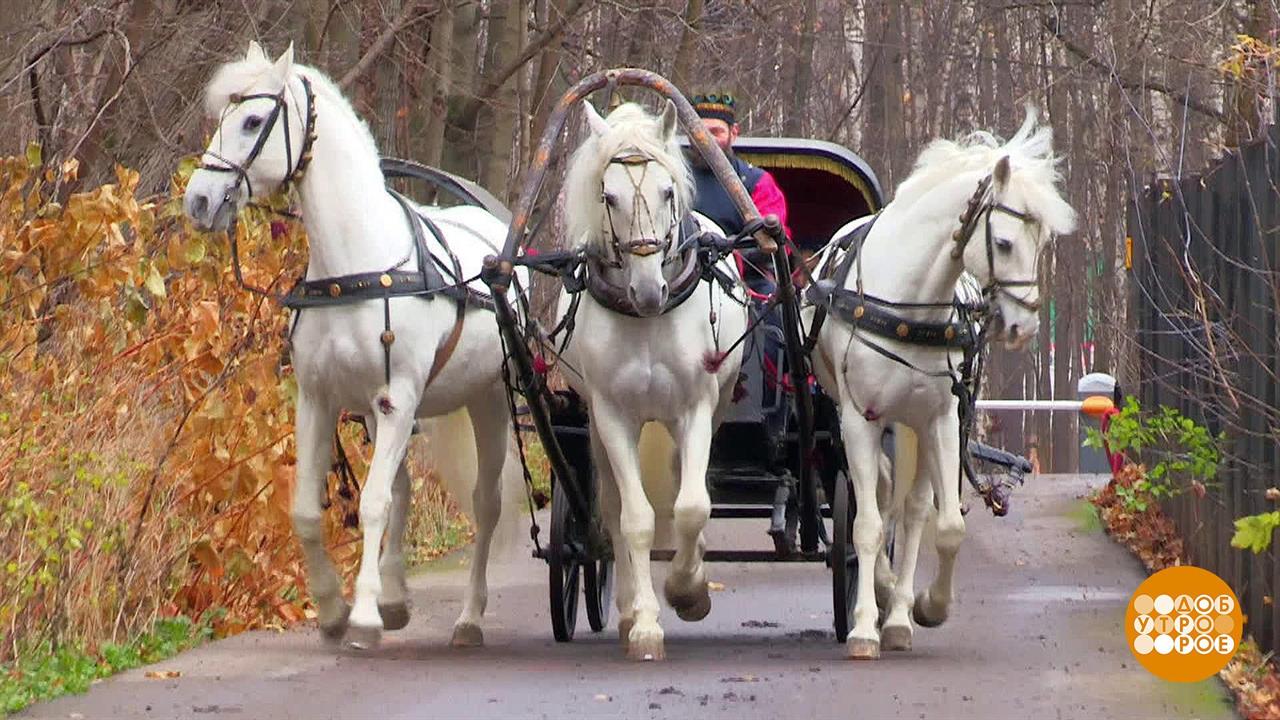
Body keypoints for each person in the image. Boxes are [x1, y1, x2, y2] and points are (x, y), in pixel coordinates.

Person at [688, 92, 794, 442]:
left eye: (714, 131)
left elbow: (772, 237)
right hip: (675, 281)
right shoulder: (672, 180)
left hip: (744, 280)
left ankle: (769, 417)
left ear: (734, 132)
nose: (706, 140)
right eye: (698, 131)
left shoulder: (755, 183)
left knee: (776, 324)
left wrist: (730, 257)